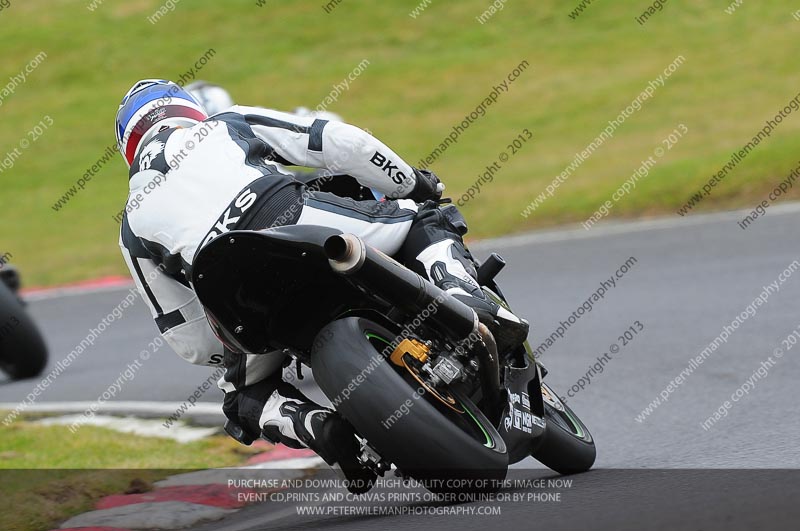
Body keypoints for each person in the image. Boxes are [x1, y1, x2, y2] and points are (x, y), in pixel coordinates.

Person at [116, 79, 528, 491]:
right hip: (297, 221)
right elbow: (338, 141)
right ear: (187, 110)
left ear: (129, 149)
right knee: (420, 216)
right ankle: (464, 296)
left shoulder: (131, 224)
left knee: (244, 399)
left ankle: (315, 426)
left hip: (236, 294)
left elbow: (186, 336)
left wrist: (231, 344)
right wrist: (415, 184)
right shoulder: (225, 122)